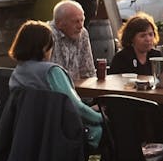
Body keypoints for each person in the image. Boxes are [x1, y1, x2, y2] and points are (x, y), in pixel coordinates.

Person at [8, 20, 104, 150]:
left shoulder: (18, 73)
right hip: (60, 134)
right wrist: (101, 117)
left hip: (27, 132)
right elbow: (75, 108)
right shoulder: (51, 72)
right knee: (112, 130)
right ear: (44, 47)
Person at [49, 0, 95, 82]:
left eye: (82, 20)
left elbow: (88, 72)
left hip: (78, 89)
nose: (80, 26)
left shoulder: (82, 33)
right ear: (59, 23)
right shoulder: (48, 35)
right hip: (53, 90)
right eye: (76, 21)